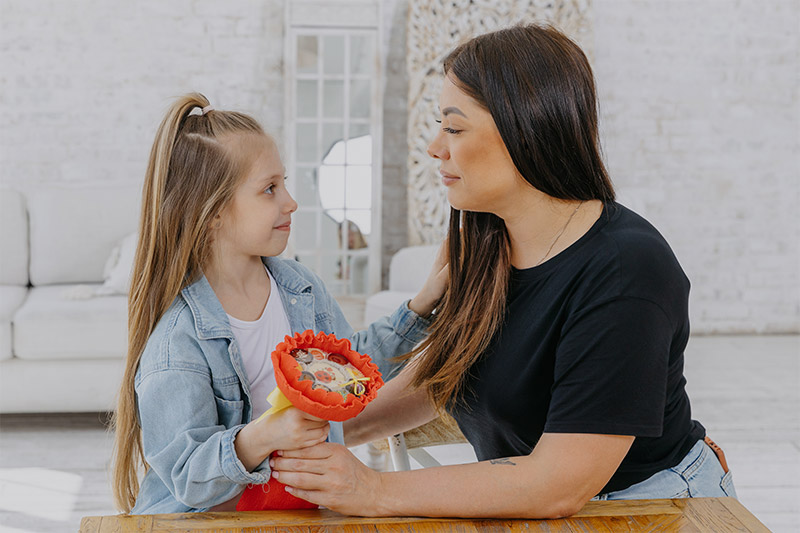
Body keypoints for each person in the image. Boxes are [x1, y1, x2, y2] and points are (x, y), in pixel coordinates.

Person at [269, 23, 737, 518]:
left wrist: (372, 489)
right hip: (539, 495)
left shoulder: (627, 272)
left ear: (525, 130)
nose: (435, 147)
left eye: (453, 127)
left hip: (649, 503)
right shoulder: (484, 241)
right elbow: (445, 375)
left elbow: (559, 483)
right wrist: (315, 433)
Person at [110, 94, 447, 514]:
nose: (290, 201)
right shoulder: (178, 339)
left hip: (296, 511)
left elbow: (350, 368)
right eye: (269, 189)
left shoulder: (299, 287)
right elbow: (187, 476)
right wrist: (265, 435)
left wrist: (421, 305)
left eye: (283, 183)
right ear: (211, 212)